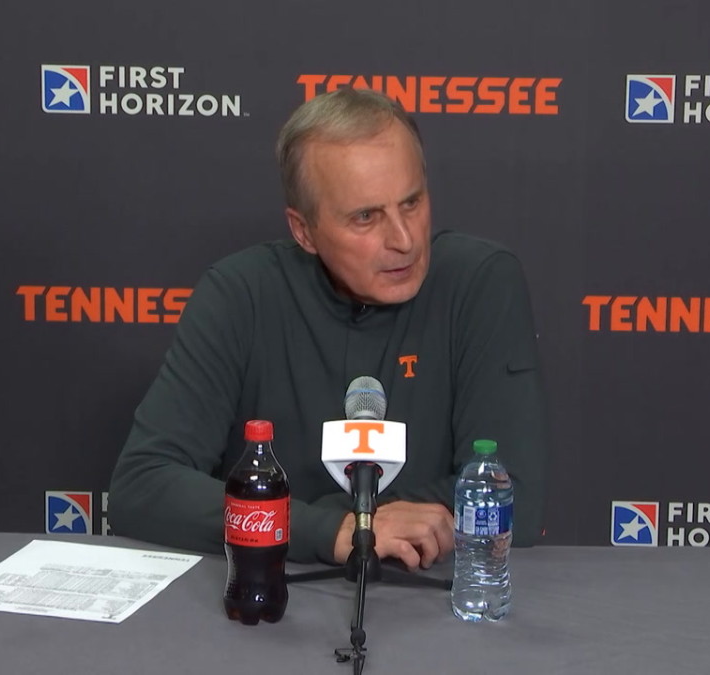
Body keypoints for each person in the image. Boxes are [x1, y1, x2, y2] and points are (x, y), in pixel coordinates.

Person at [109, 87, 547, 568]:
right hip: (269, 609)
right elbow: (142, 486)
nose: (403, 240)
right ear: (303, 231)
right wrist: (335, 530)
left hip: (435, 606)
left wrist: (329, 523)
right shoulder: (241, 294)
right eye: (366, 217)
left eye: (412, 203)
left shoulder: (480, 283)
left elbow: (510, 494)